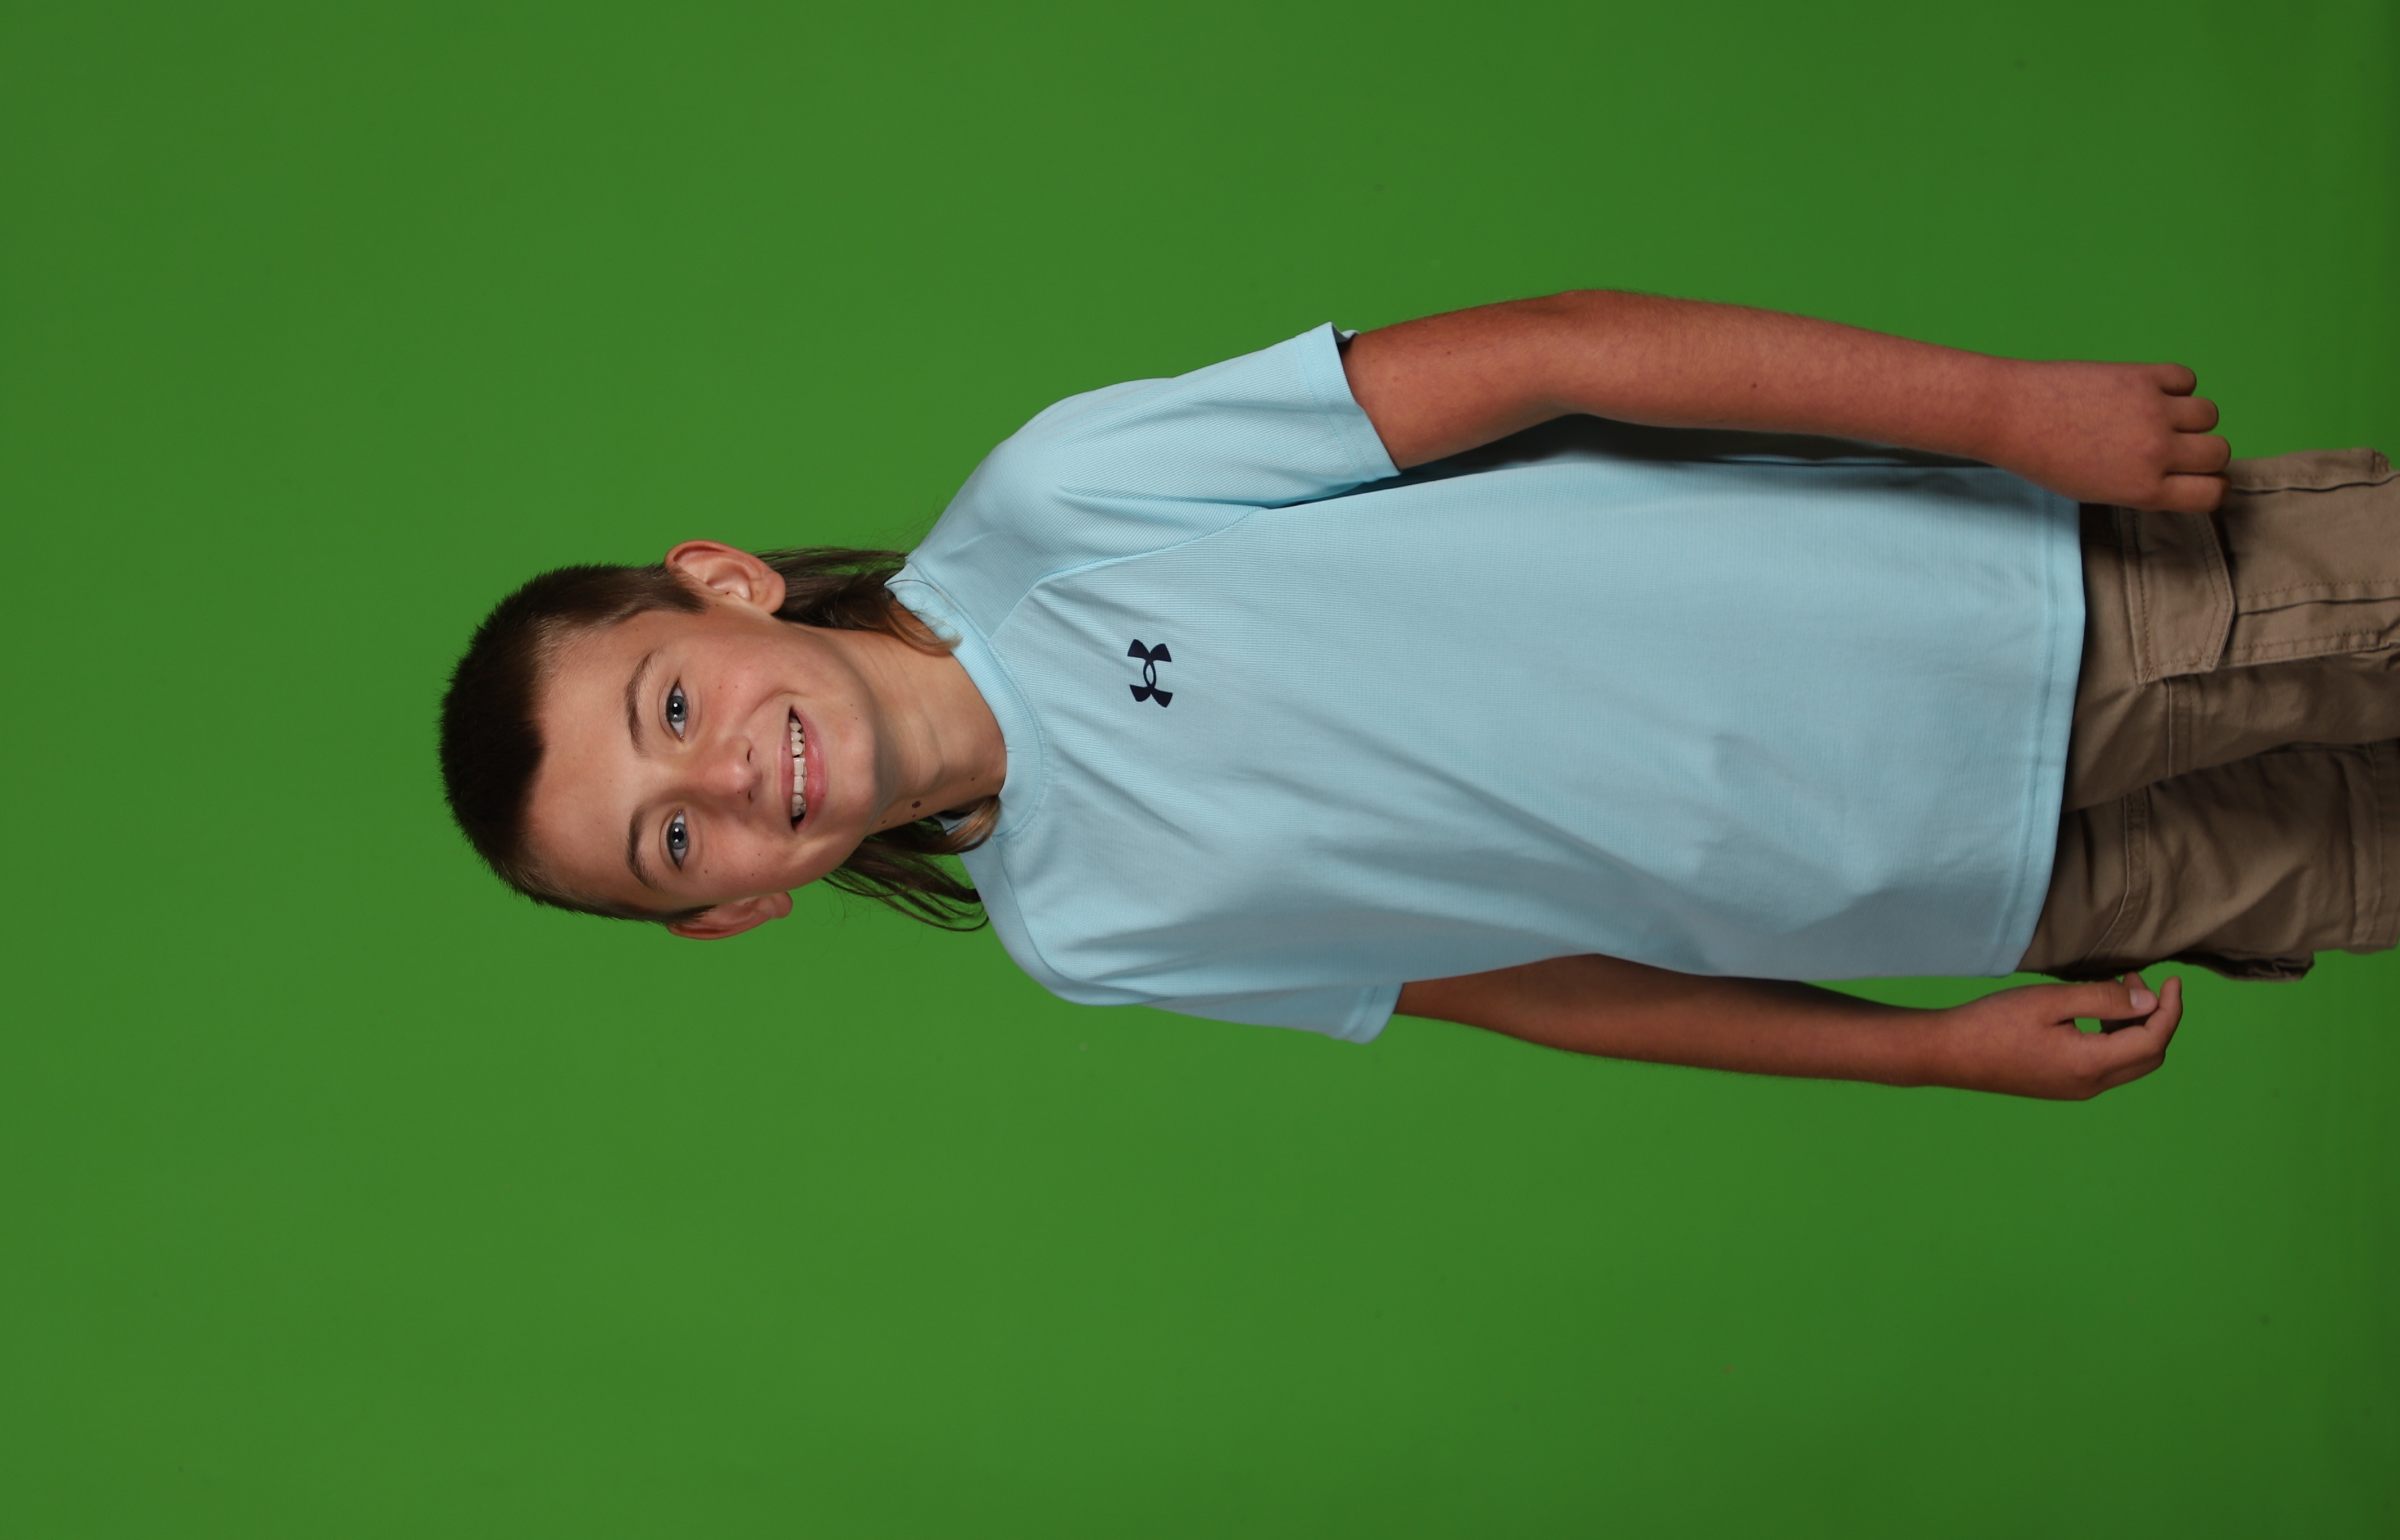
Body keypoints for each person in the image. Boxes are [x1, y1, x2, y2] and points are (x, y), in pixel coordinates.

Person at [438, 290, 2400, 1101]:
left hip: (2028, 615)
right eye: (670, 839)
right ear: (731, 911)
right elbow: (1528, 984)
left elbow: (1557, 353)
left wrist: (1999, 408)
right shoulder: (1086, 935)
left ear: (723, 585)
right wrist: (1930, 1052)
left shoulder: (1058, 504)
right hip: (1998, 889)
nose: (721, 777)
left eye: (670, 707)